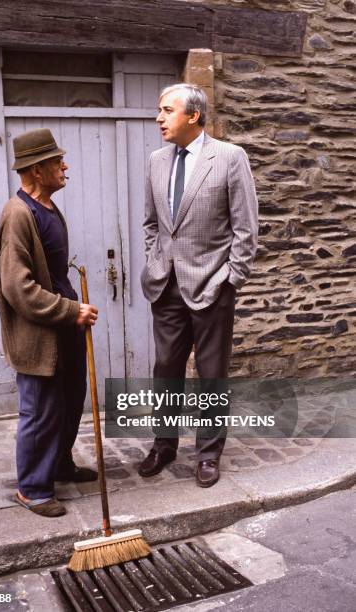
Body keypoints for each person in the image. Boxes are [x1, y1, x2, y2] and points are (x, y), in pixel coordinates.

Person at [139, 83, 258, 487]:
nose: (159, 118)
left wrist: (231, 279)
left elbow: (246, 228)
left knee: (211, 374)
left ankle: (208, 453)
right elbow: (152, 224)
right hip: (165, 286)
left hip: (212, 285)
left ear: (193, 115)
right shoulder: (156, 161)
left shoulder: (229, 158)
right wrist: (154, 261)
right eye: (159, 110)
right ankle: (164, 444)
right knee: (165, 370)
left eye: (167, 110)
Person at [0, 128, 98, 517]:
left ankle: (58, 466)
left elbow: (54, 273)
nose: (64, 165)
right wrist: (71, 310)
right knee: (39, 411)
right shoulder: (18, 214)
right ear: (37, 170)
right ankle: (33, 489)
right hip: (40, 334)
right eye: (57, 161)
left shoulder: (49, 209)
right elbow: (17, 287)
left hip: (66, 329)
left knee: (69, 402)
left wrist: (74, 312)